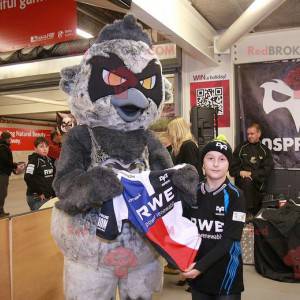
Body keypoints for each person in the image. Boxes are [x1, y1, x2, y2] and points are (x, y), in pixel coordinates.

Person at [182, 135, 246, 300]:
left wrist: (200, 267)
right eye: (210, 158)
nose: (216, 164)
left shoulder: (236, 196)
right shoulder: (192, 192)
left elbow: (229, 240)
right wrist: (181, 260)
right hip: (198, 275)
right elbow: (182, 230)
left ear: (229, 164)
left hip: (225, 277)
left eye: (222, 159)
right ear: (203, 163)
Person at [229, 123, 273, 217]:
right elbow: (232, 169)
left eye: (252, 134)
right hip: (243, 185)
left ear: (259, 134)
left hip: (258, 185)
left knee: (250, 181)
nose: (249, 136)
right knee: (247, 181)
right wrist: (240, 172)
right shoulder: (241, 148)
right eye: (248, 134)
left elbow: (267, 170)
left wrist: (252, 174)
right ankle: (247, 214)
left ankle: (251, 217)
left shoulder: (265, 151)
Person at [24, 137, 55, 211]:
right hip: (37, 197)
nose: (45, 149)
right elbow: (27, 177)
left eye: (46, 146)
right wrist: (39, 192)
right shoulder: (34, 160)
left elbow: (54, 178)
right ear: (35, 148)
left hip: (48, 197)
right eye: (41, 146)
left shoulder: (50, 160)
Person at [0, 131, 17, 217]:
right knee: (2, 193)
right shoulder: (3, 148)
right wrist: (15, 165)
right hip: (2, 174)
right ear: (5, 139)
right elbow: (5, 161)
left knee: (3, 193)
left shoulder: (4, 147)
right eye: (9, 138)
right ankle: (0, 212)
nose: (10, 140)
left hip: (3, 173)